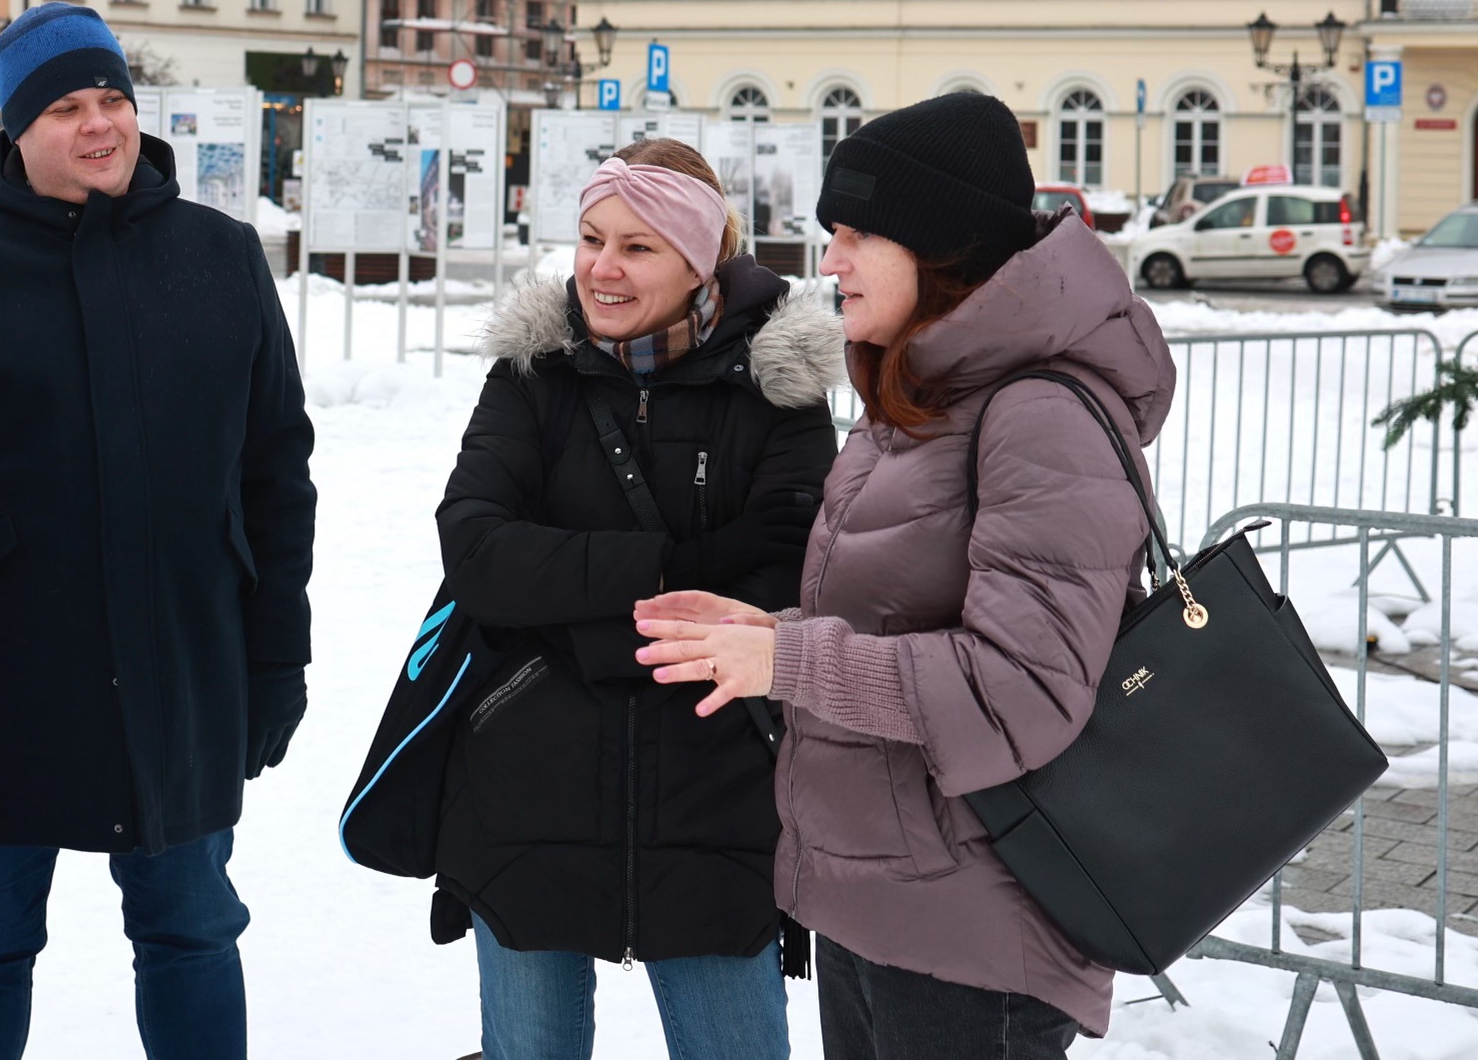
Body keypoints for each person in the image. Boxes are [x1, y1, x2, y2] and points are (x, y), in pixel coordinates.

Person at [637, 90, 1176, 1056]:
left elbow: (1022, 688)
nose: (828, 261)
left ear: (939, 249)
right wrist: (773, 637)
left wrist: (790, 666)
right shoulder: (921, 394)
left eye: (855, 234)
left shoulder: (1034, 414)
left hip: (976, 933)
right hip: (888, 899)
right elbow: (898, 624)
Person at [0, 0, 316, 1060]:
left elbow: (277, 477)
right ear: (16, 128)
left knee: (191, 931)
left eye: (113, 100)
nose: (99, 125)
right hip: (5, 681)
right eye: (66, 107)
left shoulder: (221, 260)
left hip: (183, 670)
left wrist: (278, 656)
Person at [440, 139, 840, 1060]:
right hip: (529, 781)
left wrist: (568, 604)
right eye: (590, 238)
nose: (601, 268)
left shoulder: (777, 388)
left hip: (714, 792)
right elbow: (476, 550)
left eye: (637, 246)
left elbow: (784, 575)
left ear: (701, 261)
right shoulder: (532, 373)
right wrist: (675, 570)